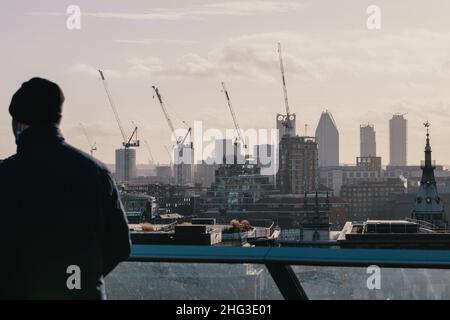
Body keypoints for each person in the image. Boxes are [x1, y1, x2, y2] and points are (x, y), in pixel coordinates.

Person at [0, 77, 131, 299]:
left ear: (19, 123)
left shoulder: (5, 175)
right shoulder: (96, 172)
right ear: (57, 118)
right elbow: (120, 246)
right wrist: (81, 279)